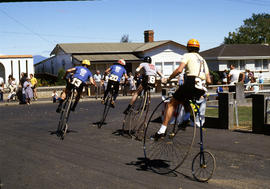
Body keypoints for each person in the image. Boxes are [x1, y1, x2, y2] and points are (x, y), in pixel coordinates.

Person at [151, 39, 211, 140]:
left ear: (188, 48)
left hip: (191, 82)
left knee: (171, 103)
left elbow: (179, 70)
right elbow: (209, 80)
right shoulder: (202, 60)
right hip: (202, 86)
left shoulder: (187, 55)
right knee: (185, 99)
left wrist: (168, 79)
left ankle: (162, 130)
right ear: (198, 49)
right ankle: (186, 118)